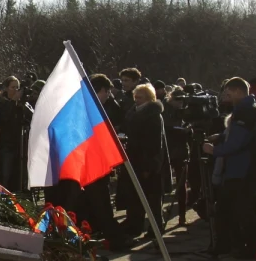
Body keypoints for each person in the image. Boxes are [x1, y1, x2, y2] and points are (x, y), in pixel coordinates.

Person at [204, 77, 256, 258]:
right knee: (231, 208)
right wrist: (223, 137)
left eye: (229, 92)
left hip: (243, 168)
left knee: (240, 209)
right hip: (242, 167)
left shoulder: (246, 112)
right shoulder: (249, 110)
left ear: (239, 91)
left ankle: (251, 246)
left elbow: (238, 142)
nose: (226, 96)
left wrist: (215, 150)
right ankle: (234, 244)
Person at [80, 74, 128, 250]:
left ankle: (97, 231)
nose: (109, 95)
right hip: (94, 163)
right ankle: (113, 236)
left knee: (95, 200)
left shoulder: (101, 106)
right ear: (99, 90)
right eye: (106, 91)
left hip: (95, 162)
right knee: (100, 200)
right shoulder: (92, 109)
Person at [122, 83, 168, 238]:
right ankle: (135, 225)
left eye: (140, 97)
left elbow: (155, 144)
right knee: (135, 197)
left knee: (152, 199)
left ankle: (155, 229)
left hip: (148, 162)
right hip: (135, 159)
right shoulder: (134, 113)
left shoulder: (153, 115)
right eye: (135, 97)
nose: (136, 100)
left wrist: (149, 166)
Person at [0, 76, 33, 191]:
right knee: (6, 175)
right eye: (13, 87)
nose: (16, 90)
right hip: (7, 145)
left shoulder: (21, 103)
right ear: (6, 88)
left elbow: (32, 117)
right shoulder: (2, 102)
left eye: (18, 88)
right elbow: (4, 118)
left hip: (20, 146)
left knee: (18, 177)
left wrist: (22, 104)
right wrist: (13, 102)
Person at [164, 88, 193, 226]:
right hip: (168, 149)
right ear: (171, 98)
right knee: (164, 183)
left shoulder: (186, 111)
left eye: (182, 99)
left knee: (182, 185)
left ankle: (182, 215)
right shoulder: (165, 110)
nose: (180, 102)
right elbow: (167, 128)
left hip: (181, 150)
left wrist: (188, 129)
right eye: (177, 99)